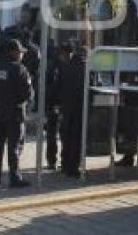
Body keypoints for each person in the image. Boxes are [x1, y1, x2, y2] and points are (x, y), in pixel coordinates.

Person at [0, 39, 33, 188]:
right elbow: (27, 94)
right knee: (14, 146)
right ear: (13, 52)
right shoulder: (19, 69)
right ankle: (14, 177)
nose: (21, 55)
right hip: (14, 113)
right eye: (20, 52)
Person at [58, 45, 86, 177]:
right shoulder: (83, 67)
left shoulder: (67, 67)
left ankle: (66, 165)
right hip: (77, 108)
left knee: (68, 138)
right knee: (73, 138)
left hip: (69, 108)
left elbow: (59, 86)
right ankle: (71, 167)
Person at [45, 41, 72, 170]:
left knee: (57, 134)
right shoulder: (59, 66)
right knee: (59, 134)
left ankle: (55, 161)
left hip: (55, 104)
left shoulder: (52, 64)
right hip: (57, 104)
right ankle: (58, 161)